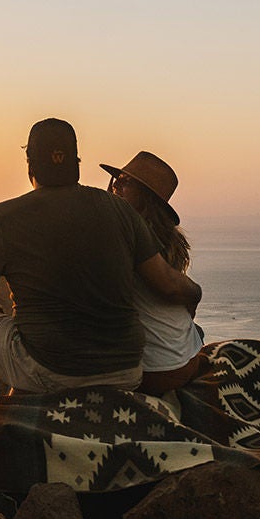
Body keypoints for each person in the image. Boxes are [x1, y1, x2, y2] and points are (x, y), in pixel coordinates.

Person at [0, 118, 203, 394]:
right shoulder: (122, 213)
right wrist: (195, 294)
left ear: (30, 165)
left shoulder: (4, 217)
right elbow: (167, 283)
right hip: (126, 372)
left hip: (52, 372)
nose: (116, 185)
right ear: (77, 163)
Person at [101, 151, 207, 395]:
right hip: (187, 359)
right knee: (196, 331)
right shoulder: (168, 242)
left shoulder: (123, 236)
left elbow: (168, 286)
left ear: (146, 198)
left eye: (125, 181)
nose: (116, 183)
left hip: (156, 373)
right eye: (116, 178)